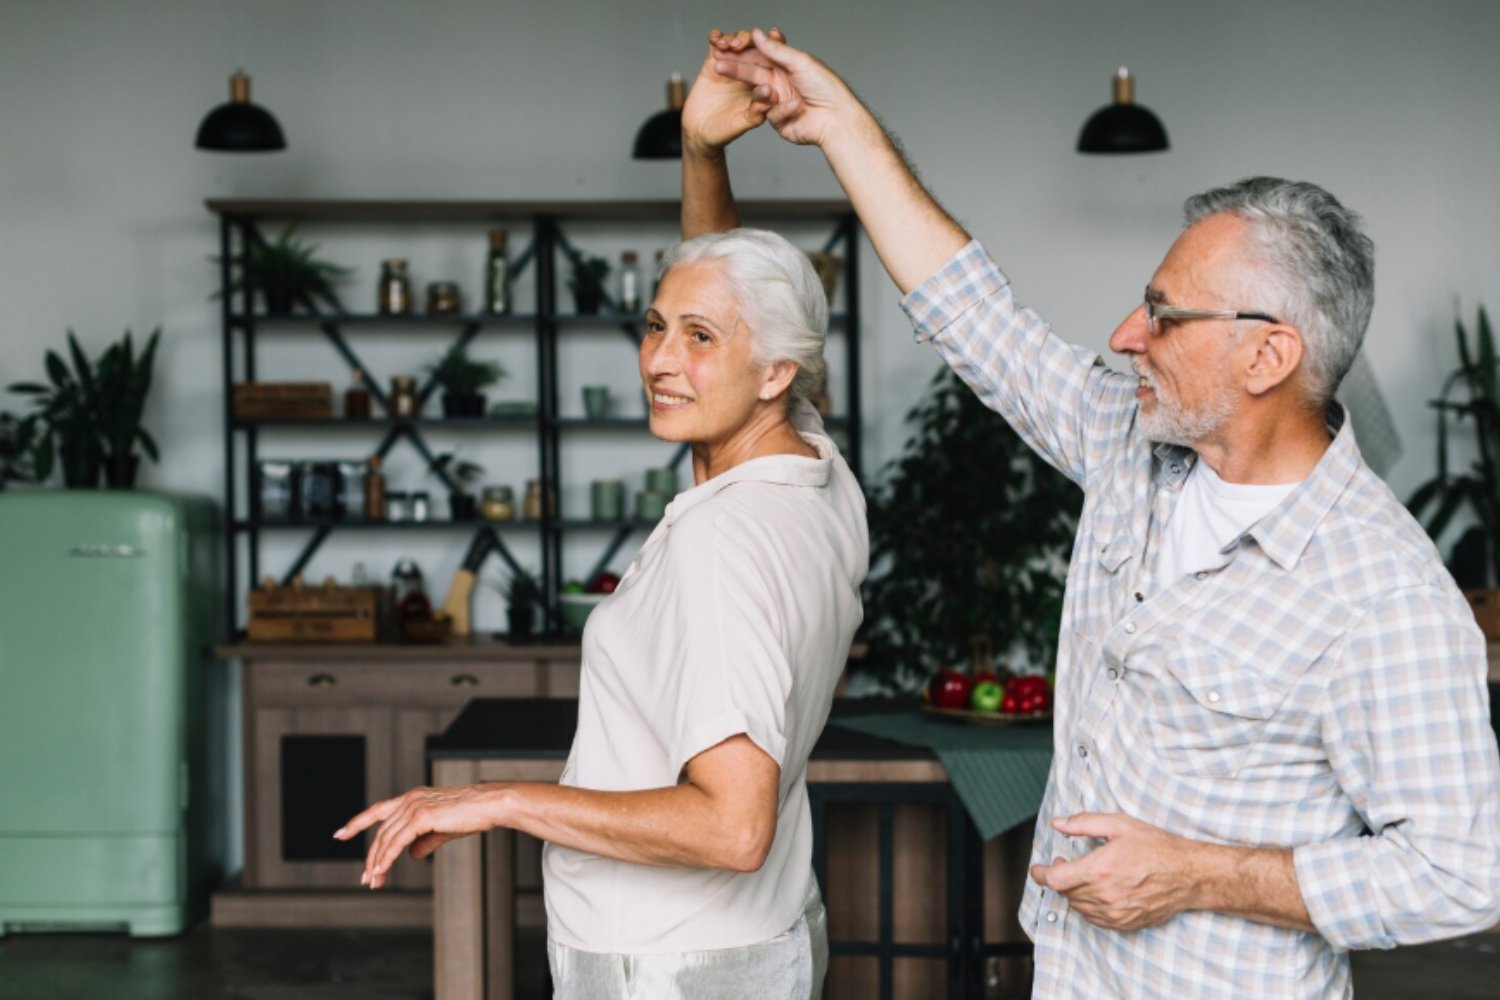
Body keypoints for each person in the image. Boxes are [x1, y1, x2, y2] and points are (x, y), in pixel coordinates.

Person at [684, 26, 1500, 999]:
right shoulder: (1130, 441)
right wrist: (837, 125)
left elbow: (1463, 870)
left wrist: (1202, 872)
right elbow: (973, 313)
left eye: (1164, 313)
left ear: (1268, 356)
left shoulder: (1383, 590)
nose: (1124, 336)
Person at [335, 226, 868, 999]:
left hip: (666, 967)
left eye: (699, 337)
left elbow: (733, 827)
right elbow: (733, 281)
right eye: (656, 325)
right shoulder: (821, 478)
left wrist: (496, 798)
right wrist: (700, 146)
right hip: (759, 939)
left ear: (777, 372)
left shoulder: (721, 540)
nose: (659, 360)